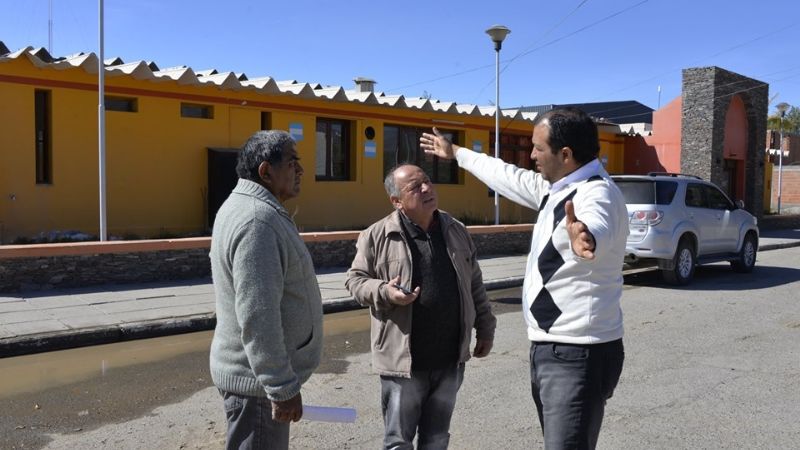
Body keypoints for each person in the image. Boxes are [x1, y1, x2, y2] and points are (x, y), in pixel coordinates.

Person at [420, 107, 628, 449]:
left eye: (537, 148)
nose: (531, 155)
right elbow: (506, 175)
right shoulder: (558, 188)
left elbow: (597, 224)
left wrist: (586, 236)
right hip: (553, 346)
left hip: (578, 353)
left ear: (565, 154)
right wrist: (455, 152)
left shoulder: (596, 193)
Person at [346, 164, 497, 450]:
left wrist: (486, 328)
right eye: (415, 187)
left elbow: (474, 283)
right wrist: (385, 291)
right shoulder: (377, 235)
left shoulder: (455, 229)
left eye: (427, 181)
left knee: (437, 438)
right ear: (397, 201)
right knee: (399, 442)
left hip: (450, 359)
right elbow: (355, 282)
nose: (426, 189)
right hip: (404, 363)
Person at [209, 130, 323, 450]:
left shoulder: (251, 207)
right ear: (266, 171)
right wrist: (281, 387)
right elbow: (259, 315)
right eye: (292, 161)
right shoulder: (257, 220)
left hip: (255, 382)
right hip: (257, 387)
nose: (300, 170)